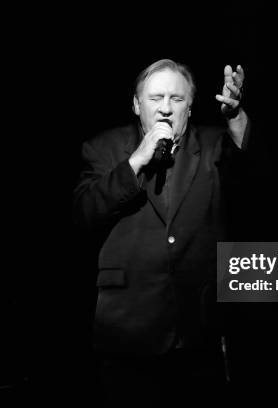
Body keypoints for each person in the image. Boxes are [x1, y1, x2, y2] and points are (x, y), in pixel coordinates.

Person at [73, 59, 250, 406]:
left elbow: (255, 180)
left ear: (190, 106)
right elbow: (82, 215)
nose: (166, 109)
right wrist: (134, 163)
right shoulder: (104, 148)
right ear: (137, 105)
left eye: (177, 99)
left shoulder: (214, 145)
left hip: (198, 331)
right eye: (155, 98)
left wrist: (235, 118)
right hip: (127, 330)